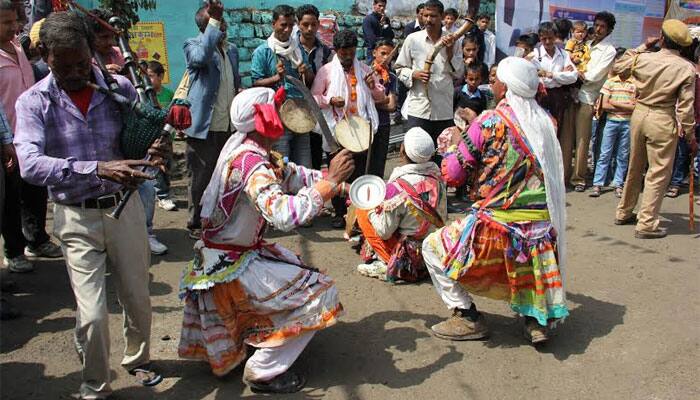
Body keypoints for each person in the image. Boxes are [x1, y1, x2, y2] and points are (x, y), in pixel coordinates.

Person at [14, 11, 168, 398]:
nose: (75, 72)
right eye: (63, 66)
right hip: (75, 217)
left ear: (91, 51)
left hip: (126, 209)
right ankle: (95, 384)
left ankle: (138, 360)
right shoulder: (33, 102)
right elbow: (29, 164)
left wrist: (153, 149)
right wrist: (97, 169)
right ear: (45, 57)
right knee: (94, 314)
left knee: (137, 296)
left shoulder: (120, 89)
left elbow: (139, 141)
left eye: (81, 63)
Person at [178, 87, 354, 393]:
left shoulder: (252, 151)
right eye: (278, 108)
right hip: (232, 262)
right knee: (321, 293)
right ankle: (263, 371)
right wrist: (330, 184)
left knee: (297, 274)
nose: (286, 115)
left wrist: (339, 186)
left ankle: (259, 343)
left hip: (232, 256)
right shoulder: (253, 165)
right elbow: (284, 215)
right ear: (266, 119)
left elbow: (295, 175)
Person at [424, 57, 569, 344]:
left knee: (431, 247)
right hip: (540, 226)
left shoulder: (488, 121)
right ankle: (535, 320)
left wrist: (456, 142)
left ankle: (467, 317)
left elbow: (453, 175)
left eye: (496, 79)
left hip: (496, 227)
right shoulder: (546, 122)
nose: (493, 83)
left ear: (506, 86)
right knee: (526, 251)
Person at [614, 20, 696, 239]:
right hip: (662, 118)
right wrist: (690, 136)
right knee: (658, 173)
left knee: (635, 166)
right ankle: (647, 223)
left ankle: (624, 211)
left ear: (661, 37)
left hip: (639, 114)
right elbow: (686, 108)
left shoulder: (643, 57)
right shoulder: (686, 68)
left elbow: (617, 68)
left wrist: (642, 46)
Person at [1, 0, 61, 273]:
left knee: (35, 191)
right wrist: (6, 141)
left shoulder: (18, 49)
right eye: (6, 23)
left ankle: (37, 239)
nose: (15, 27)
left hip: (32, 133)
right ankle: (13, 250)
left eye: (15, 21)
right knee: (10, 199)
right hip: (8, 139)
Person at [311, 29, 385, 228]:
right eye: (343, 53)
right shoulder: (326, 71)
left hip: (361, 131)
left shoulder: (365, 69)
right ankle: (339, 212)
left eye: (351, 53)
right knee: (338, 172)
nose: (348, 57)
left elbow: (380, 98)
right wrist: (329, 100)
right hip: (337, 131)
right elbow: (315, 98)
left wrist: (372, 87)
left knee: (360, 172)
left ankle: (358, 211)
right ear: (336, 51)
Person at [356, 127, 447, 282]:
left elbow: (384, 231)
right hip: (433, 247)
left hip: (409, 255)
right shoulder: (438, 180)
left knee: (362, 209)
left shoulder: (397, 188)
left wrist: (371, 209)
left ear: (402, 151)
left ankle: (388, 262)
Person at [184, 0, 241, 239]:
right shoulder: (193, 45)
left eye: (222, 21)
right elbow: (199, 60)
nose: (222, 27)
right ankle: (196, 223)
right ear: (204, 27)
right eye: (216, 23)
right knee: (201, 178)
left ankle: (218, 219)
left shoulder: (233, 50)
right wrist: (213, 23)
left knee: (225, 177)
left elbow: (235, 82)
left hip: (228, 125)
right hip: (203, 127)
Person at [395, 0, 464, 158]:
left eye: (433, 16)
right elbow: (399, 68)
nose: (428, 20)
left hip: (443, 110)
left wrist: (450, 52)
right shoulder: (413, 39)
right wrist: (414, 74)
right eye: (425, 15)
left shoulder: (453, 41)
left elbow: (459, 73)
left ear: (442, 17)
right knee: (416, 156)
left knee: (443, 156)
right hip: (418, 108)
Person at [252, 4, 314, 168]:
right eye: (283, 25)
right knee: (281, 167)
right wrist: (276, 77)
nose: (287, 30)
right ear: (273, 24)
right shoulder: (263, 52)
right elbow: (255, 83)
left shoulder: (298, 49)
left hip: (301, 116)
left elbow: (310, 80)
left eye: (290, 25)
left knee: (304, 168)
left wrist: (305, 71)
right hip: (278, 119)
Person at [570, 11, 616, 192]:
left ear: (609, 30)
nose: (598, 29)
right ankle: (566, 174)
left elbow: (593, 76)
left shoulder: (609, 50)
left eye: (602, 26)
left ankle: (578, 178)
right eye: (596, 25)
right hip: (571, 94)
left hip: (587, 98)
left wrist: (572, 74)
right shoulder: (586, 44)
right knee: (567, 141)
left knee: (582, 141)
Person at [589, 50, 635, 198]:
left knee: (623, 155)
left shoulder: (635, 84)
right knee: (605, 153)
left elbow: (635, 106)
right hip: (611, 122)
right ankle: (598, 183)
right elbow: (605, 105)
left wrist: (613, 103)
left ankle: (618, 184)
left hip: (627, 124)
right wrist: (624, 105)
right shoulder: (610, 82)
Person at [295, 3, 332, 170]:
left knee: (315, 156)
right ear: (298, 24)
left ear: (318, 24)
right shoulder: (290, 48)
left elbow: (331, 79)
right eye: (305, 24)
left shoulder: (326, 52)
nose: (310, 29)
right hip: (294, 110)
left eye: (313, 24)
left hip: (317, 111)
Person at [531, 21, 578, 150]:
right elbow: (536, 77)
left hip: (558, 97)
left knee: (556, 131)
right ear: (540, 37)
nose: (547, 42)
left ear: (556, 36)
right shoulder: (535, 55)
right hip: (541, 96)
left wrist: (552, 75)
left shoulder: (563, 54)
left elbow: (573, 76)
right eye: (543, 38)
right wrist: (561, 74)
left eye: (550, 38)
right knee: (540, 131)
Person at [144, 60, 178, 212]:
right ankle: (163, 196)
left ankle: (163, 194)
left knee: (168, 166)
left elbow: (173, 116)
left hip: (167, 138)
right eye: (146, 76)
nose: (148, 80)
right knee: (157, 167)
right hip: (152, 138)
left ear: (160, 76)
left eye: (151, 76)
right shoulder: (143, 95)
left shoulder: (169, 94)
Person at [371, 38, 398, 177]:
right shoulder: (365, 73)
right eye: (383, 53)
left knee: (379, 164)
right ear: (374, 53)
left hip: (383, 124)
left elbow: (392, 105)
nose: (386, 58)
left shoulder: (391, 77)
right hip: (367, 124)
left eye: (389, 55)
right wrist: (384, 100)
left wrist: (373, 102)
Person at [87, 8, 124, 74]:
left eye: (112, 36)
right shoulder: (82, 57)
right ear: (90, 35)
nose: (111, 42)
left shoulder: (120, 54)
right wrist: (99, 72)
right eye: (104, 37)